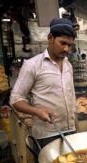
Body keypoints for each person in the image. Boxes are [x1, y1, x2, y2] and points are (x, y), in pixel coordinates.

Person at [10, 18, 79, 147]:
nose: (66, 49)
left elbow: (72, 100)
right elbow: (15, 100)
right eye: (62, 43)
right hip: (48, 134)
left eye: (69, 45)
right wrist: (37, 112)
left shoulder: (68, 65)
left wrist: (77, 130)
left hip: (70, 131)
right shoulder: (33, 65)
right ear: (50, 38)